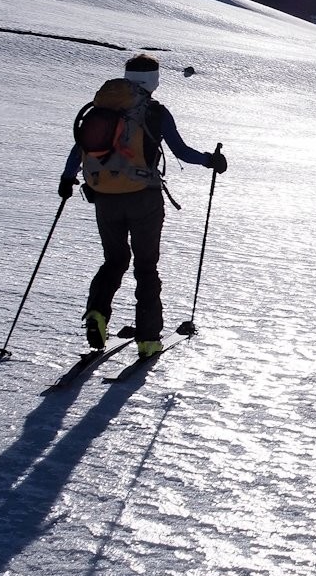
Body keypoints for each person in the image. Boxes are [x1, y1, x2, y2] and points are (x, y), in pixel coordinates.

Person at [59, 54, 227, 358]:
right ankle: (148, 340)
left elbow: (79, 146)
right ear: (154, 80)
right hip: (143, 197)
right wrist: (210, 160)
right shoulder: (155, 112)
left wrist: (67, 178)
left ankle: (97, 314)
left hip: (105, 198)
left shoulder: (102, 109)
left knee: (114, 261)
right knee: (146, 267)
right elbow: (182, 151)